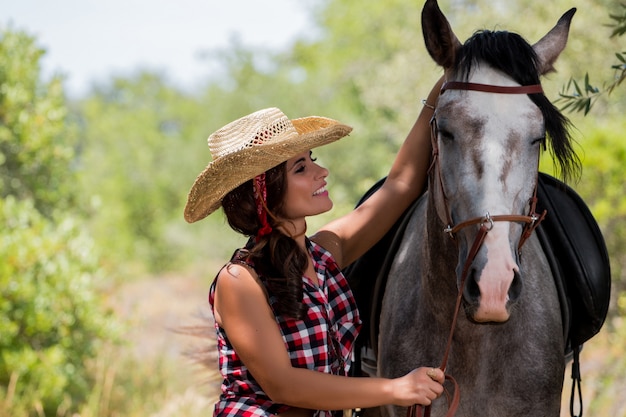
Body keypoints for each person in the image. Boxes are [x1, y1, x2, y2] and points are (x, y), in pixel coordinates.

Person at [183, 76, 445, 417]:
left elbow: (400, 184)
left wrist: (438, 93)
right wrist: (396, 388)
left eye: (313, 159)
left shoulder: (323, 255)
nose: (322, 172)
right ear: (266, 191)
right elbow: (284, 385)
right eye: (302, 167)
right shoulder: (239, 281)